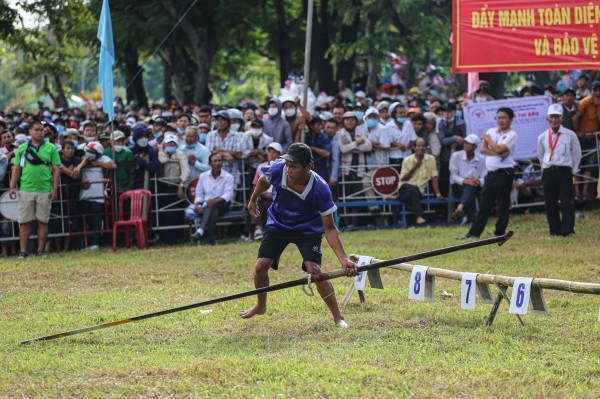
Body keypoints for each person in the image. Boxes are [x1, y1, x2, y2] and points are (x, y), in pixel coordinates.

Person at [239, 143, 358, 327]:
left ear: (308, 167)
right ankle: (261, 306)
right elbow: (264, 180)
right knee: (260, 267)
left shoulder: (321, 188)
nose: (288, 170)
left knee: (315, 271)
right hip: (278, 223)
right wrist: (253, 200)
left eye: (293, 166)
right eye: (287, 165)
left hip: (307, 229)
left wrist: (343, 260)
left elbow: (330, 229)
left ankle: (338, 317)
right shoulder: (279, 168)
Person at [459, 107, 517, 239]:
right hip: (490, 173)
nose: (501, 121)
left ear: (510, 119)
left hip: (505, 172)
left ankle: (500, 232)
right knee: (485, 202)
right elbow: (483, 149)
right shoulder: (492, 131)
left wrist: (488, 140)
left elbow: (498, 147)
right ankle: (474, 232)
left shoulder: (512, 134)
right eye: (499, 117)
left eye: (504, 118)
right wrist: (499, 153)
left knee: (503, 203)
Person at [9, 121, 61, 258]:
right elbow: (16, 168)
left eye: (41, 130)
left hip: (45, 189)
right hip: (26, 189)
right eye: (36, 130)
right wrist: (12, 187)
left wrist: (54, 189)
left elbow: (56, 169)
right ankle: (23, 251)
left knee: (43, 221)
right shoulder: (22, 148)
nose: (40, 132)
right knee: (24, 221)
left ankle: (40, 250)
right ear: (30, 132)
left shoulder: (51, 148)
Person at [537, 104, 582, 236]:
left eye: (557, 117)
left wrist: (573, 170)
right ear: (548, 119)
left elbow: (577, 154)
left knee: (567, 201)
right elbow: (540, 155)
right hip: (548, 171)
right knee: (550, 202)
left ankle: (568, 230)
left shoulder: (570, 135)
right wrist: (544, 168)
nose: (555, 120)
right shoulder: (543, 136)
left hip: (564, 171)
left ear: (562, 118)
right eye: (552, 117)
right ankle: (554, 230)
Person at [389, 138, 442, 224]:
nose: (420, 148)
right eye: (418, 146)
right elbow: (403, 179)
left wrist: (438, 193)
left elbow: (434, 178)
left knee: (414, 193)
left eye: (422, 146)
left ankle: (399, 198)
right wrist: (414, 168)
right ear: (414, 148)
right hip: (405, 186)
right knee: (413, 189)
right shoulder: (407, 160)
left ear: (425, 148)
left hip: (419, 191)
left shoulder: (431, 159)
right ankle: (418, 216)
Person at [191, 153, 235, 245]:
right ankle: (209, 239)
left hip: (223, 204)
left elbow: (228, 195)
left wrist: (215, 201)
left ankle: (202, 229)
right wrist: (197, 204)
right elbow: (199, 193)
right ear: (210, 163)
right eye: (215, 161)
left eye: (220, 161)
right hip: (207, 204)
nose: (218, 163)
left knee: (213, 206)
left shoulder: (228, 177)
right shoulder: (203, 176)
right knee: (211, 208)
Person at [572, 80, 600, 201]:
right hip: (581, 139)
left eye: (599, 90)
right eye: (595, 90)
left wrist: (598, 106)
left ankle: (585, 192)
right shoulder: (584, 102)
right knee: (577, 165)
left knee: (590, 166)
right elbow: (575, 118)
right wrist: (577, 132)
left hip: (593, 138)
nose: (598, 93)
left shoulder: (599, 103)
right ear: (591, 91)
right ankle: (577, 192)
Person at [449, 134, 486, 222]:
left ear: (475, 146)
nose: (465, 144)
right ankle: (466, 214)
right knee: (471, 188)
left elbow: (485, 176)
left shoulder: (481, 158)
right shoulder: (455, 156)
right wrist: (465, 181)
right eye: (465, 142)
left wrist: (479, 181)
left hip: (475, 186)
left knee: (472, 186)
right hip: (458, 186)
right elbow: (453, 176)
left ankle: (461, 208)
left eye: (469, 143)